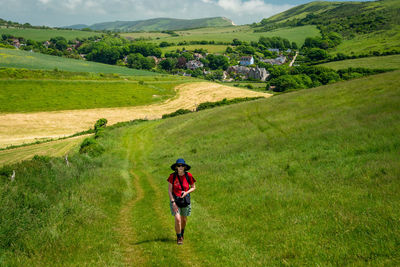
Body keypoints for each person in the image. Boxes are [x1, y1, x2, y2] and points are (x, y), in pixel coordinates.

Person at [167, 158, 196, 245]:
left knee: (183, 219)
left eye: (182, 165)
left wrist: (186, 192)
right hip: (175, 201)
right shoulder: (172, 176)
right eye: (179, 165)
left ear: (184, 167)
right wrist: (173, 202)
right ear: (176, 167)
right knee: (177, 219)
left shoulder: (189, 176)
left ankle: (182, 232)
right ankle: (179, 237)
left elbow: (194, 187)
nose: (180, 167)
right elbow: (169, 190)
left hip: (185, 201)